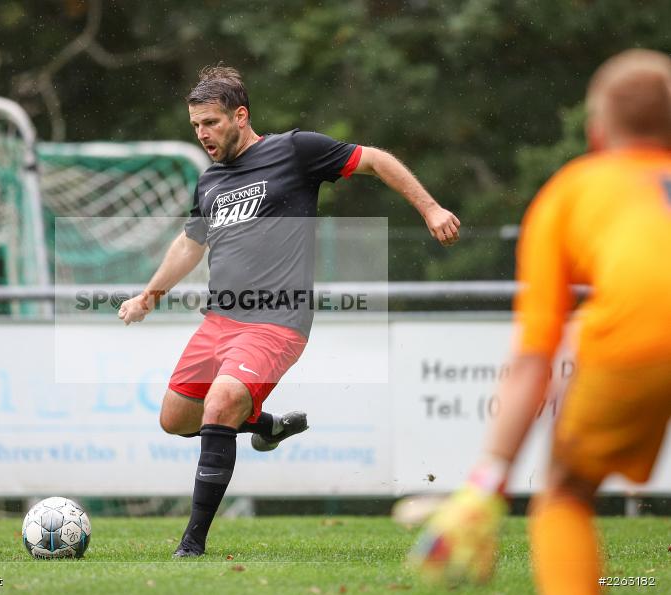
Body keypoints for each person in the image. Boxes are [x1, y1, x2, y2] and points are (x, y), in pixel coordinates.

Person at [118, 65, 461, 557]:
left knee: (219, 405)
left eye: (211, 123)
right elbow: (191, 244)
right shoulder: (211, 180)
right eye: (195, 126)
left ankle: (191, 545)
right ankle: (264, 424)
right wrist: (149, 294)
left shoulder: (294, 150)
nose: (202, 134)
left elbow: (377, 160)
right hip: (220, 321)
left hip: (277, 320)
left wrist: (429, 209)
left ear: (240, 116)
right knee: (175, 419)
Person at [408, 49, 671, 595]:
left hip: (642, 339)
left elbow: (535, 357)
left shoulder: (573, 190)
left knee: (567, 494)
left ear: (597, 133)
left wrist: (487, 483)